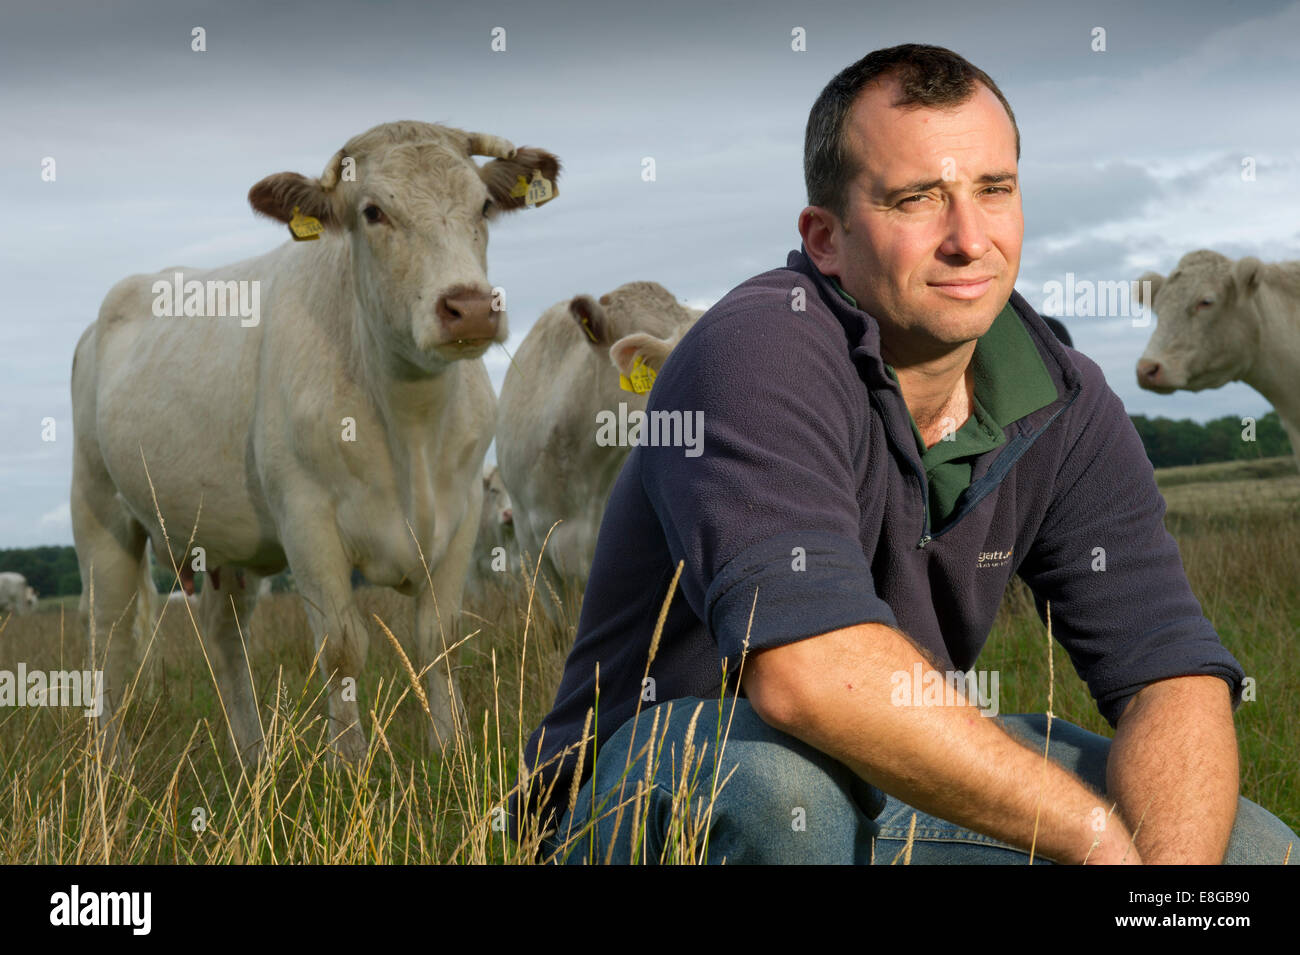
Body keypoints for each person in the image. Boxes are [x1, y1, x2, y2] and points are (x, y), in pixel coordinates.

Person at [511, 43, 1297, 864]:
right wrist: (1094, 837)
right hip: (647, 792)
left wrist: (1168, 892)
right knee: (781, 795)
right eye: (917, 199)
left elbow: (1170, 674)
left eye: (994, 189)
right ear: (825, 238)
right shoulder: (755, 353)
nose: (968, 238)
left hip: (879, 781)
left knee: (1253, 851)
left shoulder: (1061, 398)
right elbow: (807, 675)